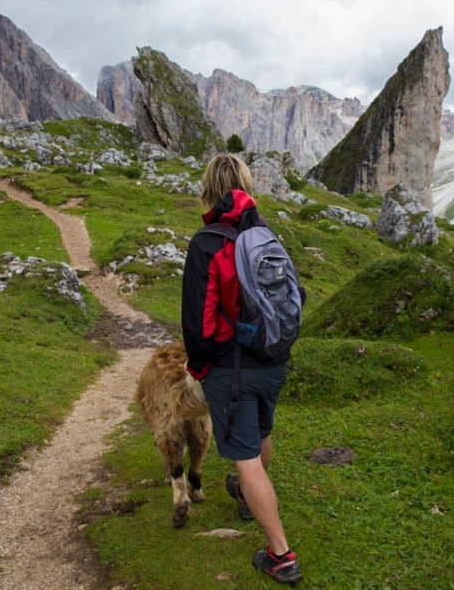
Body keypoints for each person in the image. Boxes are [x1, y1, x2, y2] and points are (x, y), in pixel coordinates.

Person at [181, 153, 302, 584]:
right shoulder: (265, 232)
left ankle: (281, 555)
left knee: (245, 459)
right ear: (246, 185)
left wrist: (198, 367)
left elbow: (198, 324)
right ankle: (251, 497)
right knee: (261, 436)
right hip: (273, 360)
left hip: (231, 371)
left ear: (209, 188)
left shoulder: (207, 242)